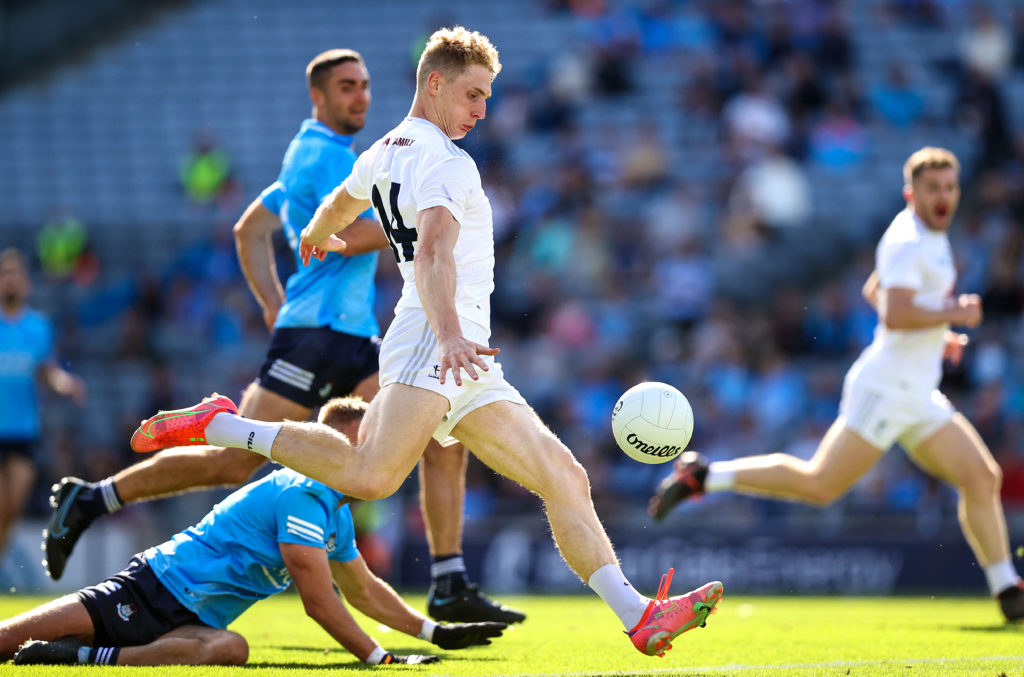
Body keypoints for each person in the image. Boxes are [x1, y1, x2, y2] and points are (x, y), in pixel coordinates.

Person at [128, 26, 723, 658]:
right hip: (439, 339)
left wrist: (320, 234)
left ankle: (638, 616)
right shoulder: (444, 160)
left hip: (458, 350)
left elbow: (340, 201)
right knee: (372, 475)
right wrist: (449, 335)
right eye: (473, 95)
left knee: (564, 475)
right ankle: (222, 425)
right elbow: (435, 250)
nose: (481, 111)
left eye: (488, 98)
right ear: (434, 83)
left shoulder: (384, 150)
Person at [43, 48, 522, 626]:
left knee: (440, 430)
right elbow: (366, 228)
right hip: (316, 334)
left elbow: (251, 230)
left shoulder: (327, 155)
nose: (361, 97)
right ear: (317, 96)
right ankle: (96, 497)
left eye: (366, 86)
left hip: (345, 332)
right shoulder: (320, 157)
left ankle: (447, 577)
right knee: (230, 462)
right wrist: (437, 219)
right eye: (347, 87)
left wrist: (274, 302)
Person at [649, 146, 1024, 622]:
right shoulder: (909, 239)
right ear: (911, 194)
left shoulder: (929, 238)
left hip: (917, 393)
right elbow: (893, 310)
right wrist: (955, 312)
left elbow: (874, 290)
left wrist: (939, 333)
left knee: (981, 477)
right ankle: (704, 476)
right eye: (933, 188)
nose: (944, 196)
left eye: (950, 187)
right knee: (820, 484)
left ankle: (1007, 589)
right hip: (886, 391)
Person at [2, 397, 506, 667]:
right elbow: (320, 602)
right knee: (7, 640)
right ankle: (218, 422)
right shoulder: (305, 493)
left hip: (189, 623)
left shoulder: (336, 511)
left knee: (231, 649)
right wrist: (382, 658)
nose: (388, 454)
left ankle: (85, 658)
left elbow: (363, 590)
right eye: (372, 442)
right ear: (344, 444)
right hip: (150, 590)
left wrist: (435, 633)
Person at [0, 248, 85, 560]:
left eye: (16, 277)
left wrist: (64, 384)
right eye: (5, 276)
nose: (10, 283)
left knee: (13, 506)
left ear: (26, 285)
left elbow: (45, 370)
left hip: (23, 429)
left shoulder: (37, 327)